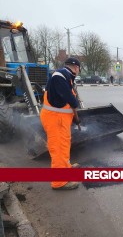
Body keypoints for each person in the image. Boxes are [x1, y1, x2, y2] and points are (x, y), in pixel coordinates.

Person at [40, 57, 81, 190]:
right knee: (58, 149)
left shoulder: (66, 77)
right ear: (76, 68)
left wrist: (73, 115)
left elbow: (67, 96)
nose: (79, 71)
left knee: (64, 145)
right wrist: (75, 104)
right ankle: (59, 182)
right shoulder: (60, 75)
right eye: (79, 69)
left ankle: (66, 168)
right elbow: (68, 96)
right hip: (55, 119)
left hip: (60, 120)